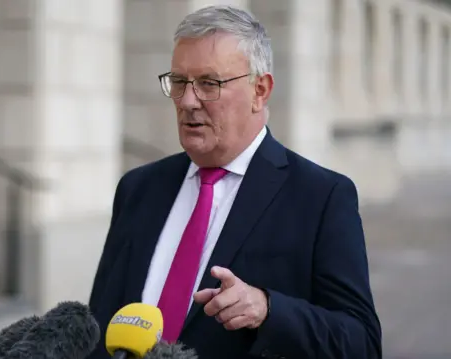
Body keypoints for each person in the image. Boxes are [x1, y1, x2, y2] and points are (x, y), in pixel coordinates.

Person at [87, 5, 382, 359]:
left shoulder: (321, 197)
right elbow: (99, 323)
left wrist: (268, 309)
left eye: (209, 84)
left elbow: (361, 342)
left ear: (260, 90)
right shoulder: (138, 188)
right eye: (179, 82)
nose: (188, 101)